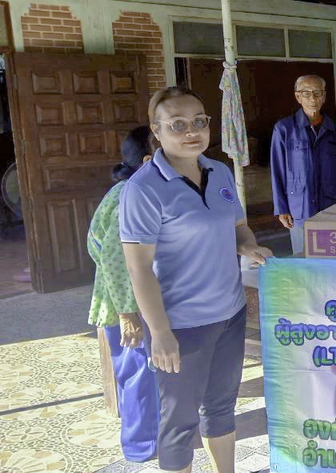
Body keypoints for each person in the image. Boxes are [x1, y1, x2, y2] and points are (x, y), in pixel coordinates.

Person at [120, 86, 273, 473]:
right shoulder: (143, 189)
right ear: (156, 131)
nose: (191, 131)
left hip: (230, 314)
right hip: (181, 325)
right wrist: (160, 333)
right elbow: (139, 269)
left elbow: (237, 226)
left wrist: (248, 246)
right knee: (179, 421)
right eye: (177, 124)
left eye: (199, 122)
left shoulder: (219, 171)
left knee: (221, 407)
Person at [86, 125, 159, 463]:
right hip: (128, 305)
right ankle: (141, 446)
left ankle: (154, 436)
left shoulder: (133, 191)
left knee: (144, 372)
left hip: (133, 300)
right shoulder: (130, 196)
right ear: (147, 160)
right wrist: (129, 314)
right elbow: (116, 260)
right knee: (139, 374)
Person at [270, 74, 336, 254]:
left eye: (317, 93)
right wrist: (281, 208)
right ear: (298, 97)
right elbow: (277, 171)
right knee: (304, 259)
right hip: (299, 208)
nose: (313, 98)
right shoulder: (284, 129)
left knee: (334, 257)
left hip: (331, 207)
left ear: (324, 96)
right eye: (306, 93)